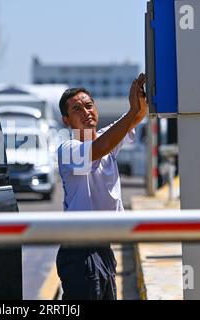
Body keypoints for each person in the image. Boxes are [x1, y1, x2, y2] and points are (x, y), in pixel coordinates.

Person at [56, 73, 147, 300]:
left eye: (89, 105)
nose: (86, 112)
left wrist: (140, 101)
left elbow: (137, 117)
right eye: (77, 109)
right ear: (66, 120)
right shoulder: (68, 150)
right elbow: (100, 148)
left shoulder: (108, 140)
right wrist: (131, 111)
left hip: (103, 248)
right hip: (79, 252)